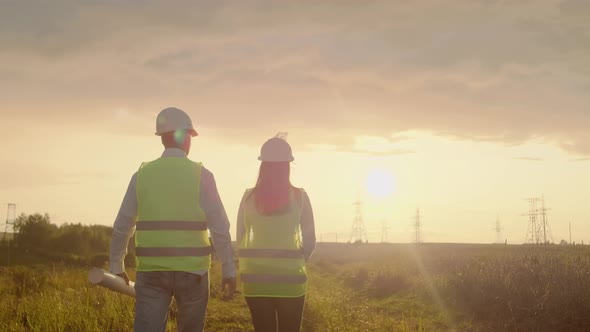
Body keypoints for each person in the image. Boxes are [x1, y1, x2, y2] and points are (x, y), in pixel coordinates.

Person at [109, 107, 236, 332]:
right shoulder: (203, 176)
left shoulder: (142, 176)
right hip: (193, 272)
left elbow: (123, 225)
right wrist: (228, 269)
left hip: (152, 272)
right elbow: (220, 228)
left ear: (162, 139)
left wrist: (117, 264)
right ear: (186, 137)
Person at [236, 136, 316, 332]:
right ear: (288, 165)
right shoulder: (300, 197)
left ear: (263, 165)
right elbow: (310, 240)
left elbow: (240, 237)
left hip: (256, 280)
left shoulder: (248, 197)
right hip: (291, 280)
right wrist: (296, 261)